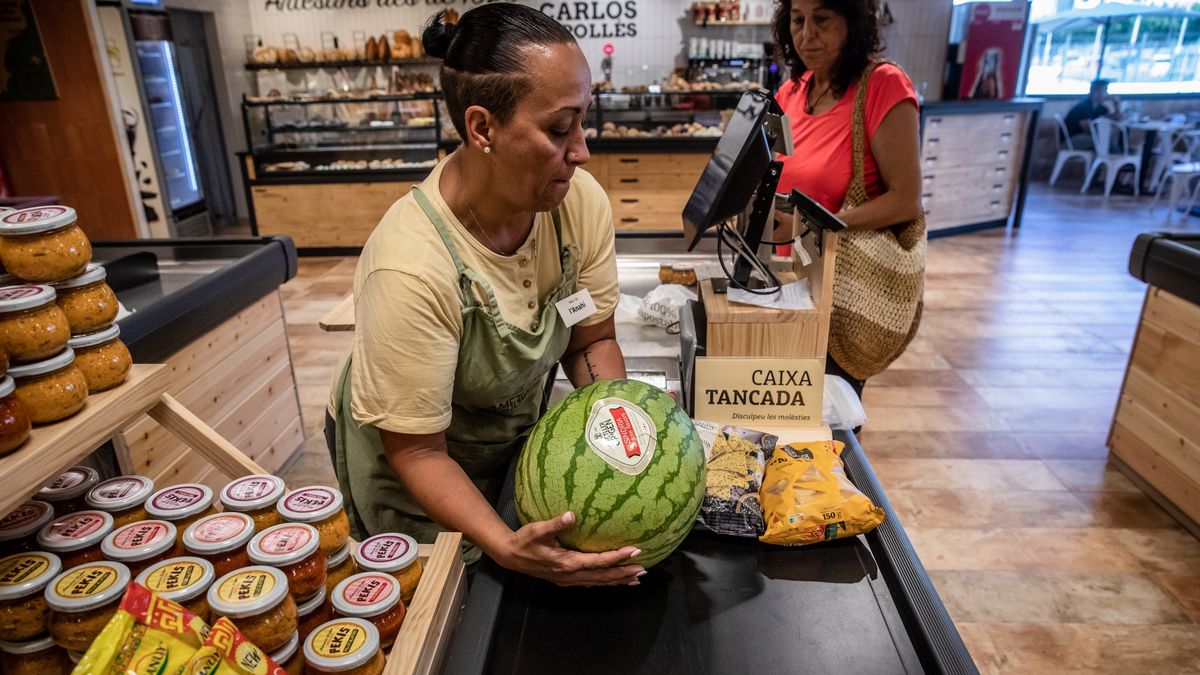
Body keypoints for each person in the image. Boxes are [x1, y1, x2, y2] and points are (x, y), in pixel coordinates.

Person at [326, 5, 643, 588]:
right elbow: (418, 451)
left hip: (503, 445)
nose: (582, 151)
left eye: (583, 121)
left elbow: (590, 340)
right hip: (416, 472)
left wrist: (628, 448)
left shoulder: (577, 203)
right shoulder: (410, 267)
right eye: (559, 128)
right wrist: (505, 546)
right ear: (482, 128)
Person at [770, 0, 922, 398]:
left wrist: (810, 223)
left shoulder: (883, 85)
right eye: (797, 20)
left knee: (830, 415)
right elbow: (777, 175)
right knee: (784, 410)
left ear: (852, 23)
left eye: (822, 19)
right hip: (789, 282)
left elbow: (905, 200)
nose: (807, 34)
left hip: (844, 291)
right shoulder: (791, 91)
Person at [1063, 79, 1122, 150]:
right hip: (1071, 139)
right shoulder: (1084, 106)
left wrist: (1116, 103)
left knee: (1107, 141)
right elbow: (1086, 126)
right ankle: (1119, 156)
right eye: (1104, 91)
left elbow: (1115, 117)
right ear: (1095, 92)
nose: (1106, 94)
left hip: (1083, 136)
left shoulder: (1099, 107)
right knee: (1104, 143)